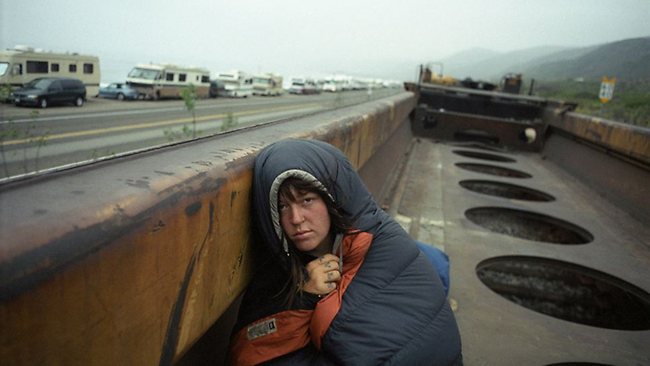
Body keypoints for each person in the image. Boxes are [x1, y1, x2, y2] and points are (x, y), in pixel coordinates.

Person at [228, 139, 462, 365]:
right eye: (283, 206)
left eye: (307, 200)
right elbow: (248, 352)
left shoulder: (378, 240)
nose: (296, 219)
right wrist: (306, 297)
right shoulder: (276, 278)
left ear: (332, 199)